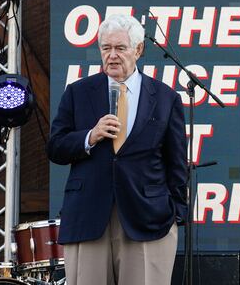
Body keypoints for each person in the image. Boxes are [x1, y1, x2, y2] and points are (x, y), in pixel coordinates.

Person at [47, 14, 187, 284]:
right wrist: (90, 136)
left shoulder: (165, 98)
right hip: (89, 216)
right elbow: (55, 147)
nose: (112, 55)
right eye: (106, 48)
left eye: (120, 48)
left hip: (147, 217)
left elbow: (177, 162)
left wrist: (175, 212)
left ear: (138, 50)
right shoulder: (78, 92)